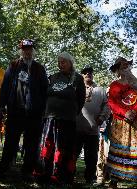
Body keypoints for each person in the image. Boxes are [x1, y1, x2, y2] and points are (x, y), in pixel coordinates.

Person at [0, 39, 48, 180]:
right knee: (10, 142)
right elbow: (5, 86)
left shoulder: (39, 68)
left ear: (33, 51)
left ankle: (27, 171)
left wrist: (44, 109)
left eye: (30, 49)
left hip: (34, 113)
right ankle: (4, 168)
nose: (27, 51)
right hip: (15, 111)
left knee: (32, 144)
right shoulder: (13, 65)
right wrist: (1, 105)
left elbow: (45, 90)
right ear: (21, 50)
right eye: (24, 49)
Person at [39, 52, 85, 186]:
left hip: (67, 120)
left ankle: (61, 175)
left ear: (70, 63)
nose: (61, 65)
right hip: (50, 118)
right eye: (59, 62)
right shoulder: (53, 77)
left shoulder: (77, 78)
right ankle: (45, 173)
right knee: (48, 145)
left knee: (63, 147)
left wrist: (71, 112)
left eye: (63, 62)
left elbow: (81, 100)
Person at [106, 57, 137, 188]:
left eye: (126, 65)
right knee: (118, 148)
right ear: (117, 70)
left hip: (134, 123)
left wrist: (133, 111)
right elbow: (112, 103)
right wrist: (125, 113)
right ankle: (114, 179)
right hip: (120, 123)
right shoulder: (114, 85)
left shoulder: (136, 84)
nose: (124, 67)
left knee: (135, 148)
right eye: (121, 66)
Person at [75, 66, 110, 184]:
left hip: (93, 129)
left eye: (90, 72)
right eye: (85, 72)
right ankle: (68, 176)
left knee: (91, 157)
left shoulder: (100, 90)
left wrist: (102, 117)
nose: (88, 74)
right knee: (73, 154)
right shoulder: (76, 88)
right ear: (82, 75)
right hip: (76, 128)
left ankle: (90, 179)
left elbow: (107, 105)